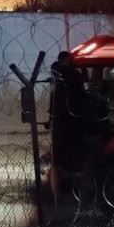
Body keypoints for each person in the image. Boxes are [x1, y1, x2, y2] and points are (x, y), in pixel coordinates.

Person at [48, 51, 89, 180]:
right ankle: (69, 168)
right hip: (66, 113)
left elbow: (83, 80)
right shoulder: (62, 72)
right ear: (65, 59)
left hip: (67, 112)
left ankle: (69, 167)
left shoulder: (62, 72)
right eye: (69, 60)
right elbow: (77, 79)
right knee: (69, 141)